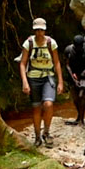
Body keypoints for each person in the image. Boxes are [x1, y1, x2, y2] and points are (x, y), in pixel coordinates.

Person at [18, 17, 63, 147]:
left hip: (48, 77)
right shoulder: (29, 43)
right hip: (33, 78)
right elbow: (23, 63)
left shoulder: (51, 43)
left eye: (41, 30)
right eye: (37, 30)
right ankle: (37, 136)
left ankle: (46, 132)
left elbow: (57, 62)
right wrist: (25, 82)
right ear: (34, 30)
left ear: (45, 30)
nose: (39, 33)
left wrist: (60, 82)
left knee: (48, 104)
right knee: (36, 107)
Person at [63, 34, 85, 126]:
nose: (78, 48)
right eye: (77, 46)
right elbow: (67, 65)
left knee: (82, 96)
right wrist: (73, 77)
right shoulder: (69, 50)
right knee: (75, 98)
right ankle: (79, 117)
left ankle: (82, 120)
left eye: (80, 46)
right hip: (73, 75)